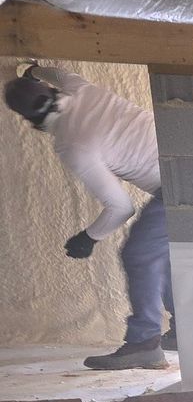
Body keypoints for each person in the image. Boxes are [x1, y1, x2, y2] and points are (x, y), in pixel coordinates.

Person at [4, 63, 176, 370]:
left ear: (30, 122)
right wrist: (36, 70)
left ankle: (144, 343)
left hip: (177, 188)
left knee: (140, 254)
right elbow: (59, 73)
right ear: (52, 91)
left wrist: (89, 237)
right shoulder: (82, 89)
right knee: (160, 253)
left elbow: (122, 208)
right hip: (190, 164)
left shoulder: (72, 144)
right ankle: (186, 330)